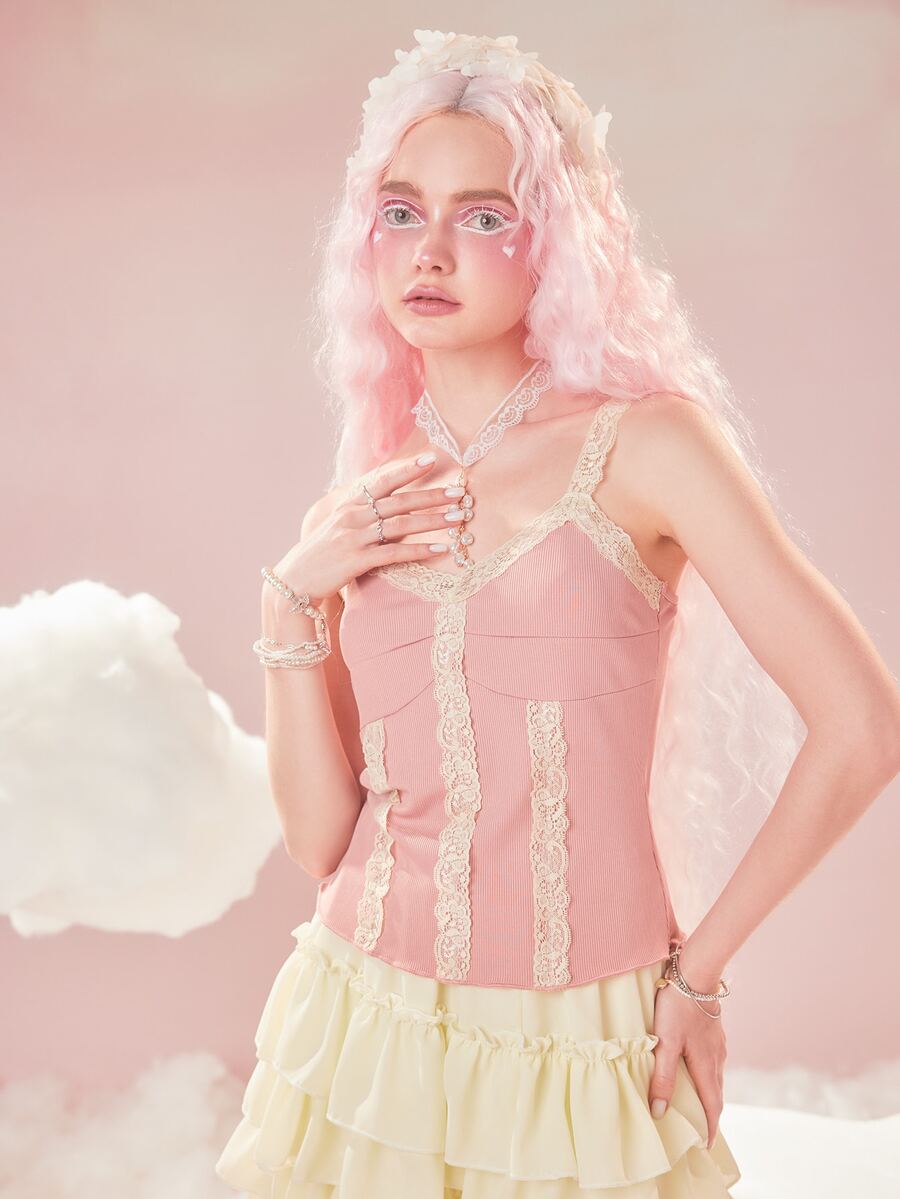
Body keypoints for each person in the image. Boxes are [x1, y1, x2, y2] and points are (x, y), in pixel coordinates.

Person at [215, 29, 900, 1199]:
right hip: (362, 1021)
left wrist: (700, 974)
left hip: (584, 1044)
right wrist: (290, 602)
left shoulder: (648, 445)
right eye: (400, 211)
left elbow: (865, 726)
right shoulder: (371, 489)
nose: (430, 250)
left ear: (557, 241)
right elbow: (324, 839)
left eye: (483, 215)